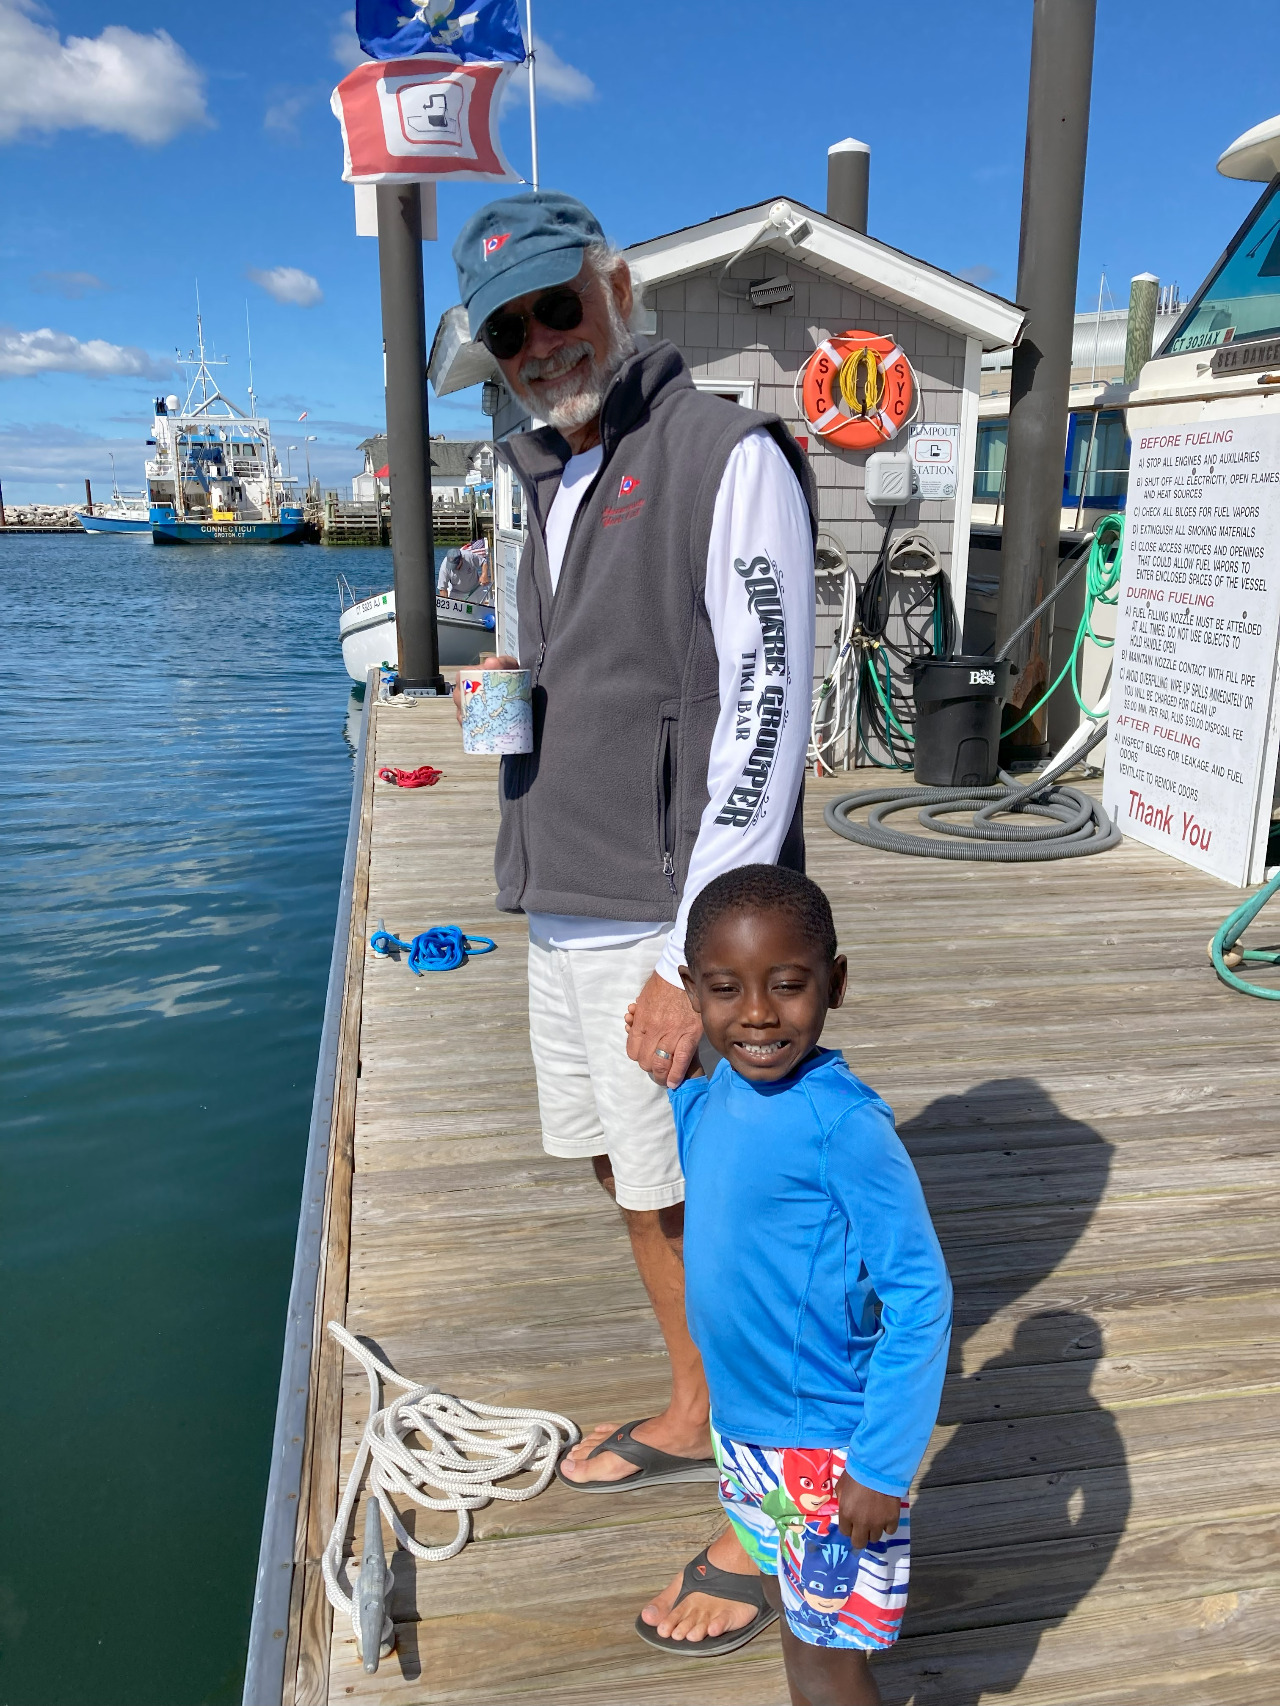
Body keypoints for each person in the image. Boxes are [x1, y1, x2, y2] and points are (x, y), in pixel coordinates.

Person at [449, 187, 817, 1645]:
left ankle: (765, 1523)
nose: (538, 344)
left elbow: (772, 710)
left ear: (615, 290)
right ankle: (693, 1397)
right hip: (565, 894)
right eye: (508, 329)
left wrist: (688, 958)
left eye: (557, 305)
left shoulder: (727, 455)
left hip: (670, 922)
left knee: (736, 1214)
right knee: (632, 1178)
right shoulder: (540, 466)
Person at [664, 863, 952, 1703]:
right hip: (746, 1433)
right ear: (693, 992)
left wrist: (883, 1463)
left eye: (788, 985)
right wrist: (673, 1077)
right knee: (793, 1619)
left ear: (836, 982)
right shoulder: (714, 1090)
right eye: (725, 988)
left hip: (826, 1450)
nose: (756, 1013)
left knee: (823, 1665)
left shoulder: (847, 1128)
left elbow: (920, 1296)